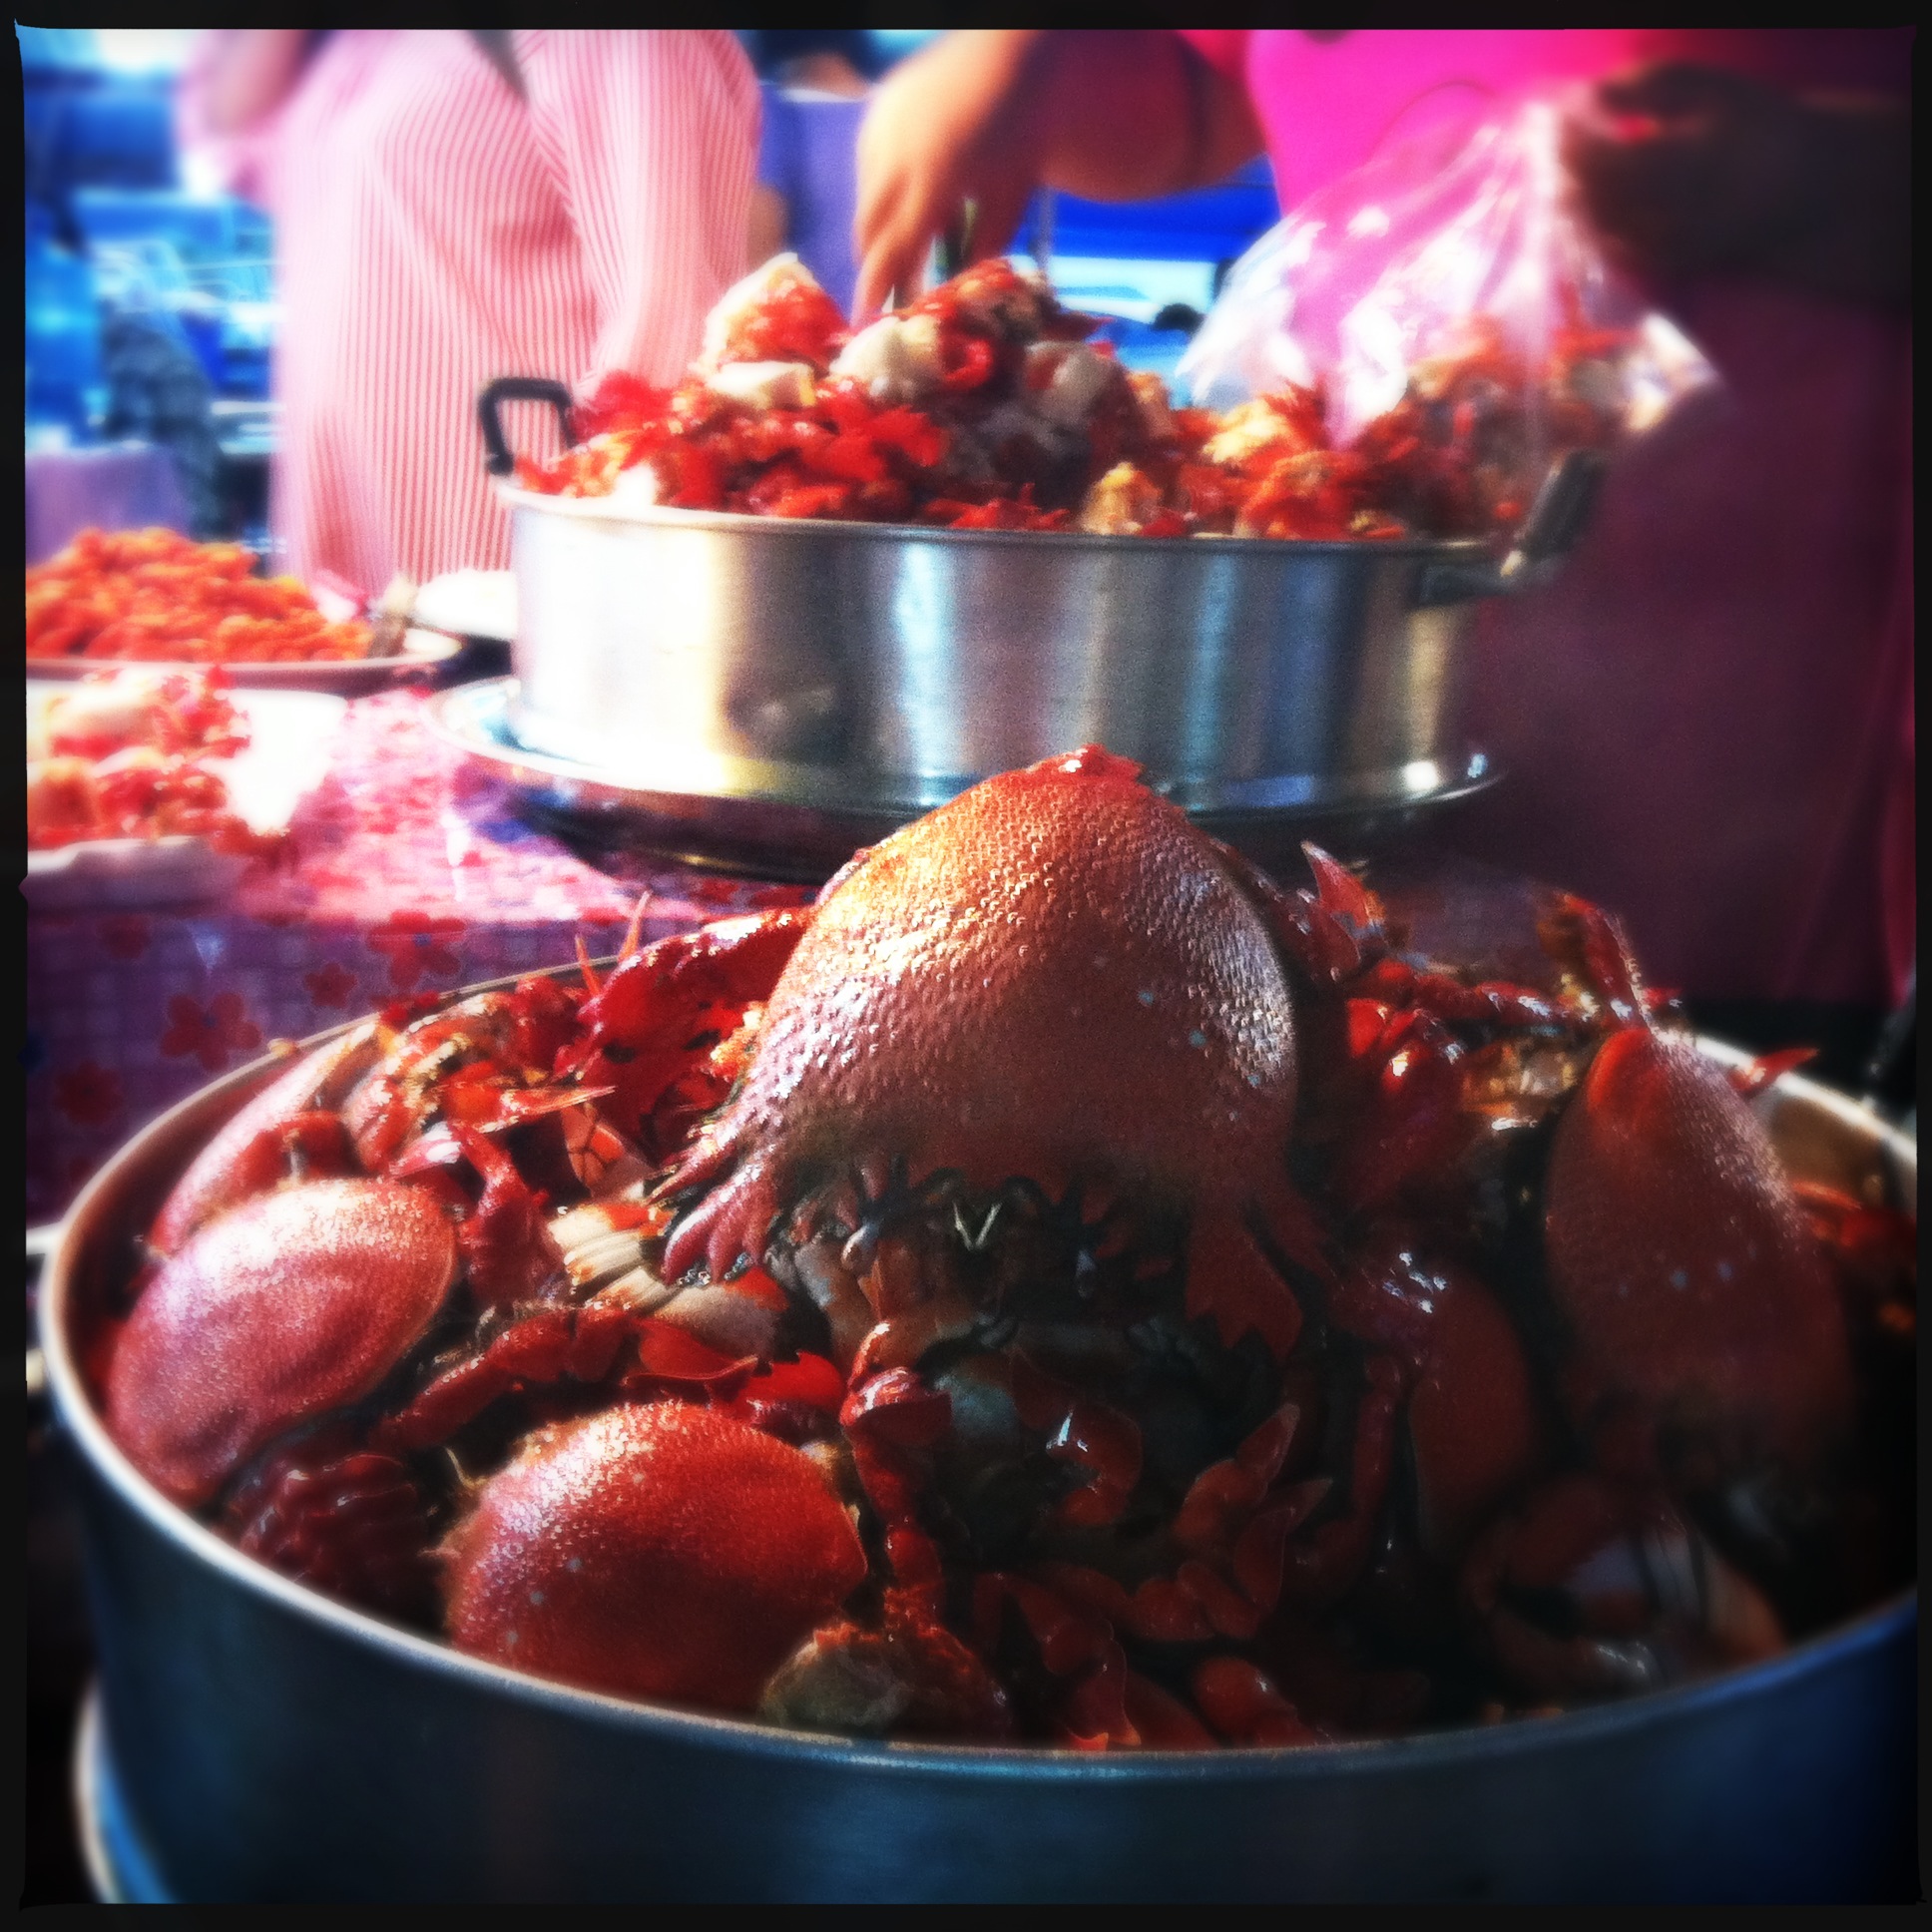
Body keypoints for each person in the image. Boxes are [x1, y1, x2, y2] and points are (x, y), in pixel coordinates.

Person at [851, 30, 1912, 1013]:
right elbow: (1193, 98)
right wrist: (1022, 60)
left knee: (1695, 1074)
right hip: (1370, 650)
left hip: (1754, 696)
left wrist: (1817, 172)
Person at [179, 30, 757, 592]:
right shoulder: (359, 46)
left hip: (506, 563)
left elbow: (669, 325)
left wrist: (598, 587)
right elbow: (229, 142)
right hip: (350, 553)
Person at [745, 30, 878, 315]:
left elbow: (756, 270)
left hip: (813, 335)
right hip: (898, 328)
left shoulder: (770, 110)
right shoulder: (898, 109)